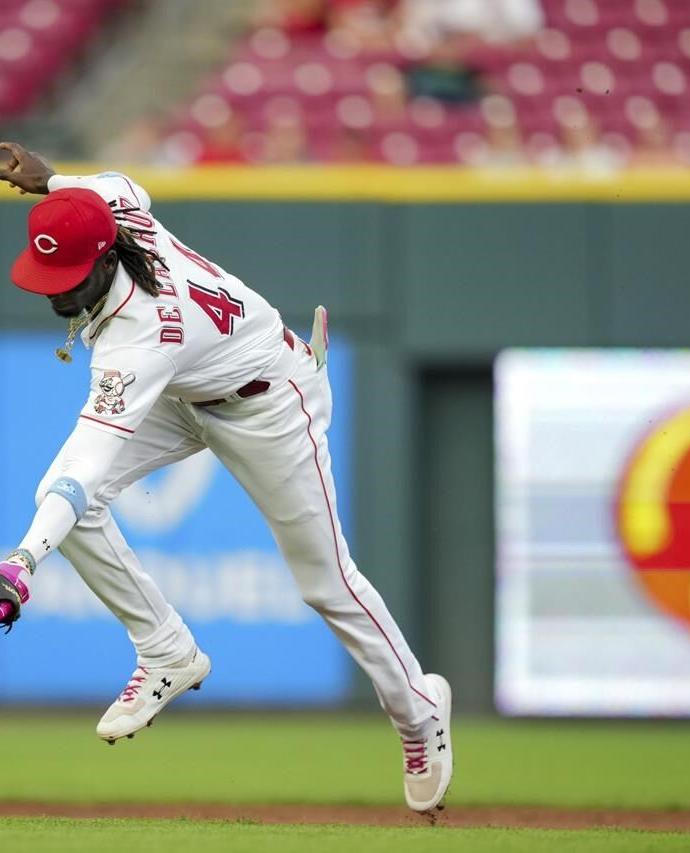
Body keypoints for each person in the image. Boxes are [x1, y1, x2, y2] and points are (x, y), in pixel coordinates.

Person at [0, 141, 452, 814]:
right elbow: (120, 183)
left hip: (268, 402)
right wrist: (54, 182)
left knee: (324, 583)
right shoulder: (116, 215)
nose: (55, 285)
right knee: (66, 501)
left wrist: (22, 562)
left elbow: (85, 462)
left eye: (65, 271)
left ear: (102, 259)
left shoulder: (139, 336)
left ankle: (418, 710)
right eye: (47, 269)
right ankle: (166, 650)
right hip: (189, 394)